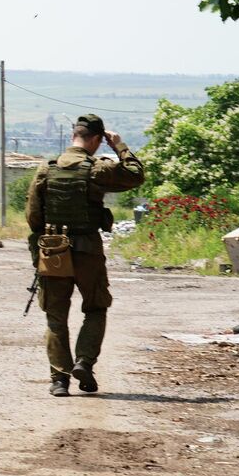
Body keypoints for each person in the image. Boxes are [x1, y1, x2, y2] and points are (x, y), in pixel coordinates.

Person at [25, 114, 145, 397]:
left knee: (56, 317)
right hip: (88, 251)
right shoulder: (97, 169)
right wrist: (120, 146)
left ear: (73, 136)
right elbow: (135, 174)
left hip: (53, 252)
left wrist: (39, 252)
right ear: (96, 139)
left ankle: (59, 380)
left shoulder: (46, 169)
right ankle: (84, 362)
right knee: (95, 308)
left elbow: (32, 216)